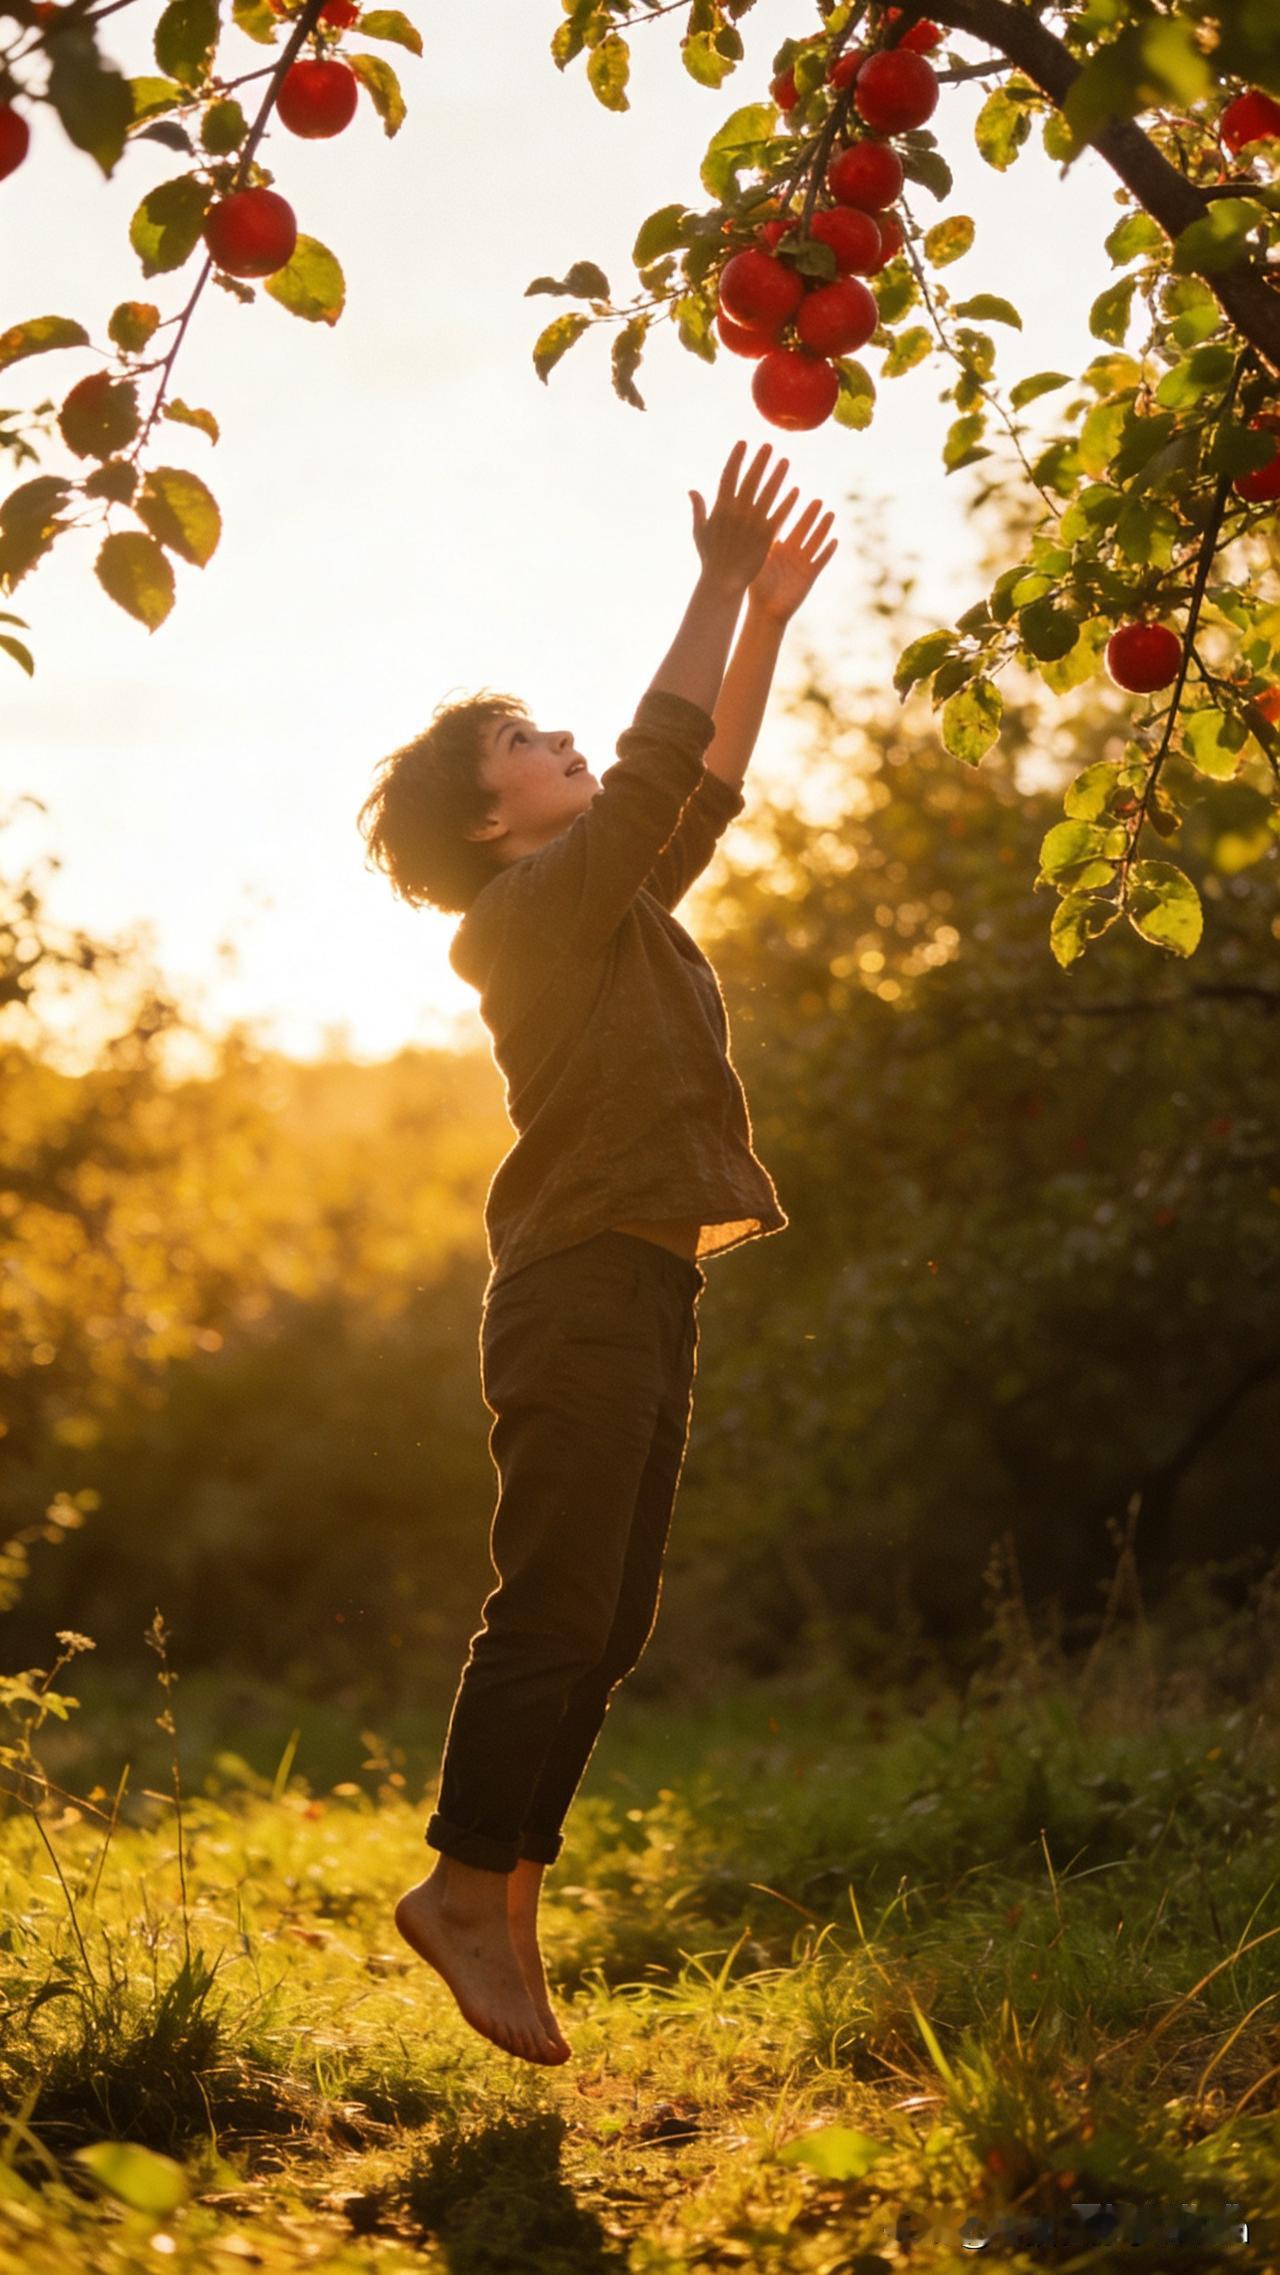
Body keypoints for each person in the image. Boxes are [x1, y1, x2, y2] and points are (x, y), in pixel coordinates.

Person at [357, 439, 836, 2067]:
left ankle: (501, 1907)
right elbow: (653, 764)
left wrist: (761, 619)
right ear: (493, 824)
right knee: (555, 1604)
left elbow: (696, 787)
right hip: (572, 1287)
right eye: (524, 742)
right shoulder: (520, 919)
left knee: (609, 1617)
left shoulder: (609, 905)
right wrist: (708, 584)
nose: (561, 741)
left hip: (646, 1275)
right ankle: (459, 1885)